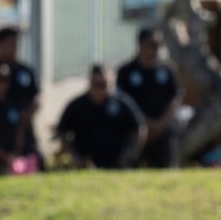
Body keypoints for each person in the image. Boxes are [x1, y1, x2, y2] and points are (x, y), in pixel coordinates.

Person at [117, 26, 183, 168]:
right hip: (136, 134)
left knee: (165, 173)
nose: (157, 49)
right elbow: (123, 102)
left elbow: (176, 97)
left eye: (159, 45)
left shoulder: (166, 69)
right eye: (153, 45)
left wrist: (160, 124)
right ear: (141, 45)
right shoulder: (126, 72)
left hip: (163, 133)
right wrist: (144, 123)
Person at [54, 64, 144, 169]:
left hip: (116, 164)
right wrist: (75, 155)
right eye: (96, 84)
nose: (99, 89)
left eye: (103, 84)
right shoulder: (77, 105)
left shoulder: (121, 102)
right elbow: (61, 131)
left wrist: (129, 154)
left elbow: (138, 128)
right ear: (90, 82)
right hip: (87, 164)